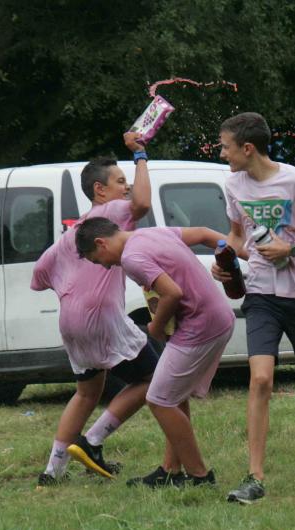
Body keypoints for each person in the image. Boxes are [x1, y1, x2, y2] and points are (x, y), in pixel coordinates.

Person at [211, 112, 295, 504]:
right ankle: (254, 477)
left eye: (226, 147)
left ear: (247, 148)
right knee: (260, 380)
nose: (224, 155)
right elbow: (239, 237)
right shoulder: (233, 185)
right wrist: (224, 260)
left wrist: (293, 248)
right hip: (260, 295)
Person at [31, 133, 157, 486]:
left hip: (70, 321)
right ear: (100, 191)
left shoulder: (73, 232)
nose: (127, 188)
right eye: (120, 182)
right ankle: (92, 441)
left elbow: (40, 275)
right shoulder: (110, 213)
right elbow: (143, 204)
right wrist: (141, 155)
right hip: (102, 319)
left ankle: (52, 472)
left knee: (87, 391)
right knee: (154, 379)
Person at [75, 217, 235, 488]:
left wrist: (156, 327)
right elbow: (204, 231)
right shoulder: (150, 233)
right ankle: (170, 471)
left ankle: (199, 476)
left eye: (97, 259)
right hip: (215, 317)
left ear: (101, 243)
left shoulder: (132, 258)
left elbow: (171, 293)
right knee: (173, 395)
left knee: (159, 399)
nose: (103, 265)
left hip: (201, 326)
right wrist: (241, 253)